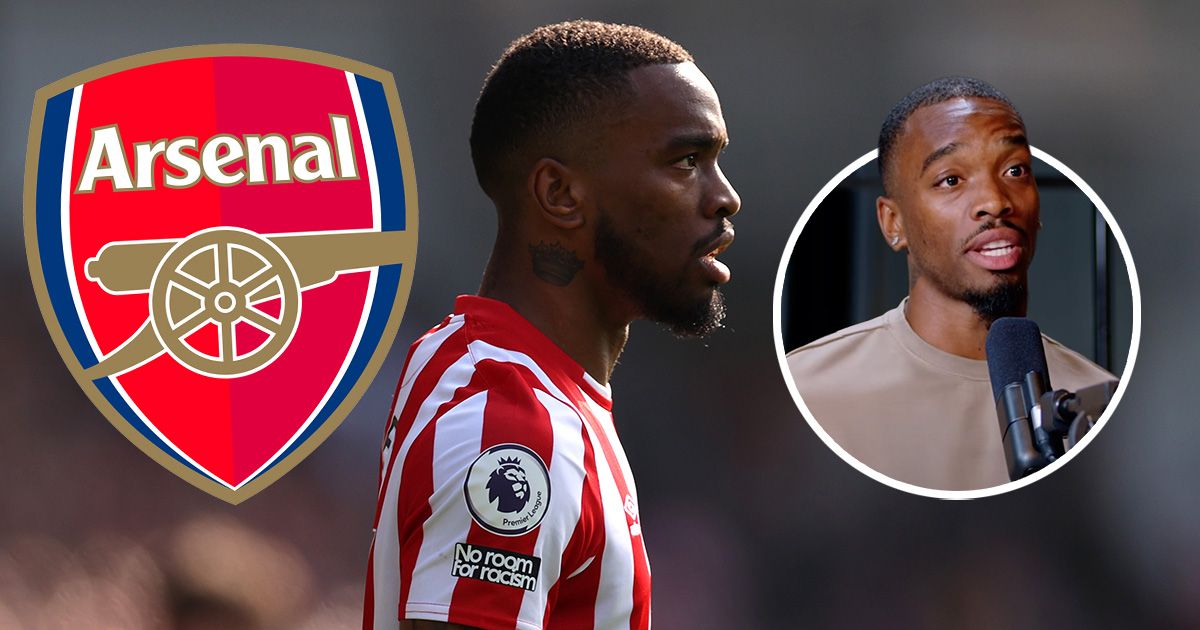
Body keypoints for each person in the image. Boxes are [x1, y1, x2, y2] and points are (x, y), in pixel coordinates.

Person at [365, 20, 740, 629]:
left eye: (716, 161)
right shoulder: (511, 433)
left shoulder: (481, 364)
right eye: (685, 161)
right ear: (560, 194)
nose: (724, 197)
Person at [786, 77, 1113, 492]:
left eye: (1015, 170)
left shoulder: (1098, 401)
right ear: (893, 223)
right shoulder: (808, 389)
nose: (995, 201)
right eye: (951, 180)